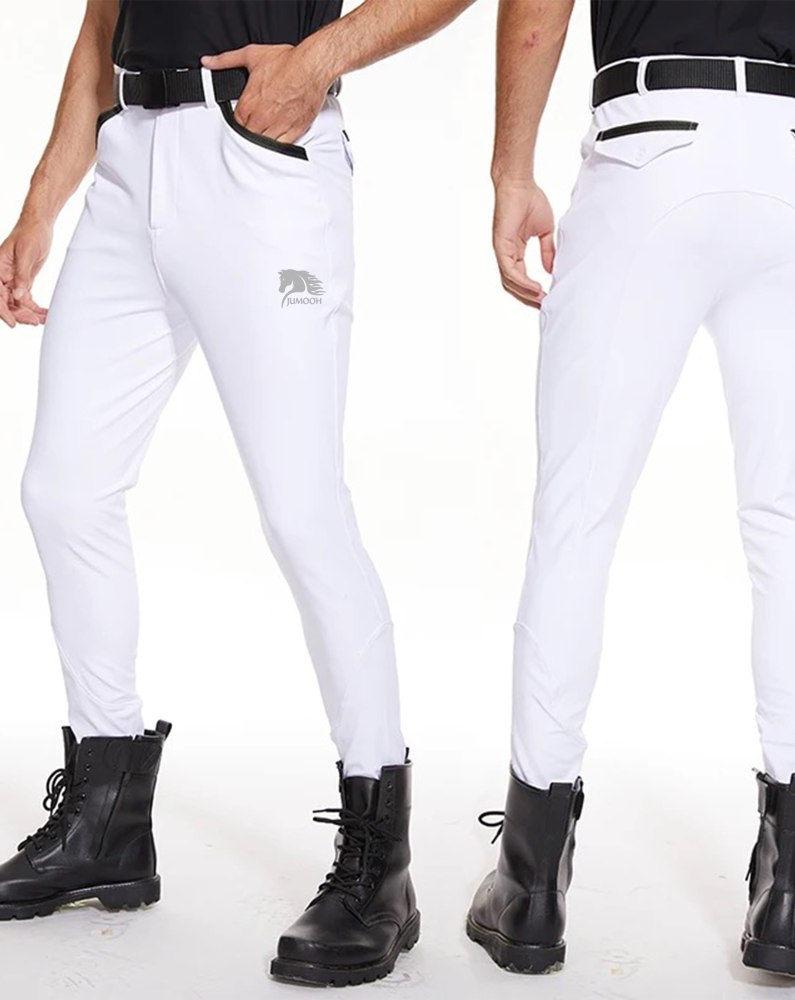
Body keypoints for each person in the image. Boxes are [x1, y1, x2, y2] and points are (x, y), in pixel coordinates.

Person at [0, 0, 472, 988]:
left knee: (303, 509)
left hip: (261, 157)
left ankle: (380, 864)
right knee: (64, 490)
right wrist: (44, 197)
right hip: (129, 161)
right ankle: (106, 821)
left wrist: (318, 61)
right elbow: (102, 19)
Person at [467, 0, 795, 979]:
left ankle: (531, 883)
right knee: (789, 521)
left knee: (577, 515)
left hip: (654, 135)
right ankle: (789, 891)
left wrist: (512, 170)